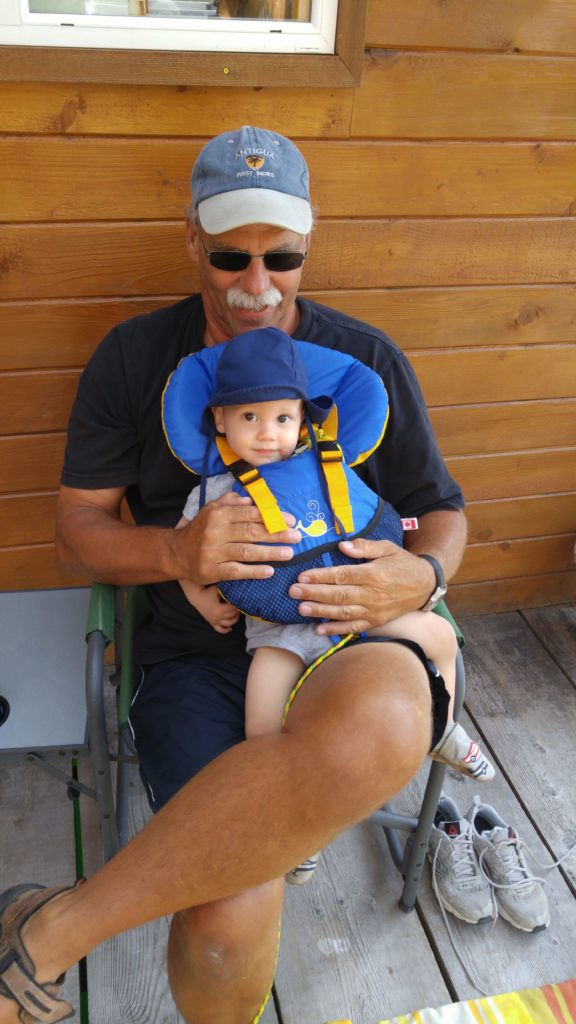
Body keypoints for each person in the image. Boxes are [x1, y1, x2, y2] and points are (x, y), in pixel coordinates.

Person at [0, 125, 469, 1024]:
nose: (257, 283)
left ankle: (49, 935)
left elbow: (442, 509)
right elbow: (76, 535)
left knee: (382, 720)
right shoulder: (135, 359)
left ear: (309, 239)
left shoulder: (364, 360)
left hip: (347, 633)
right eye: (229, 253)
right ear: (191, 240)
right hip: (195, 656)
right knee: (223, 923)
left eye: (282, 255)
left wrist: (421, 575)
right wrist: (174, 552)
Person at [173, 330, 494, 869]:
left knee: (440, 635)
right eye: (249, 418)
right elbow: (185, 555)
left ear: (303, 419)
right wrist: (202, 600)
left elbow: (383, 522)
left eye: (281, 418)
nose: (268, 433)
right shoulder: (213, 493)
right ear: (221, 420)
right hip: (282, 633)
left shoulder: (330, 468)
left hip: (363, 614)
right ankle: (292, 821)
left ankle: (441, 727)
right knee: (261, 722)